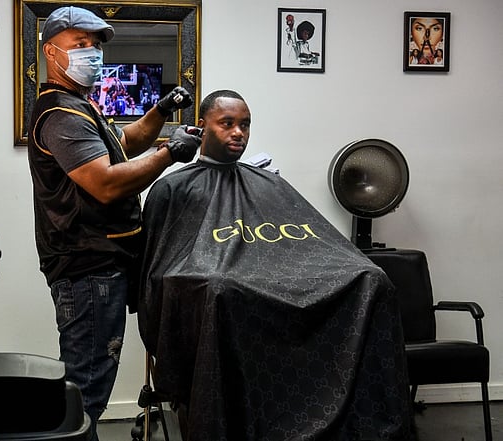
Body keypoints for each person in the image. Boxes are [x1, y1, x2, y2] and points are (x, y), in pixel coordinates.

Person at [137, 90, 414, 440]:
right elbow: (158, 273)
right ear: (201, 128)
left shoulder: (269, 183)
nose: (238, 132)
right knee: (219, 288)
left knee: (373, 278)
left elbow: (307, 242)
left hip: (264, 296)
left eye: (245, 125)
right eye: (227, 124)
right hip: (227, 299)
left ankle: (361, 424)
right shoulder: (172, 188)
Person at [26, 5, 202, 440]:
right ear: (52, 52)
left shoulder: (79, 106)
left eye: (96, 45)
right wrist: (168, 154)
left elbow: (122, 143)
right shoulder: (61, 114)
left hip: (102, 266)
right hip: (88, 271)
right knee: (86, 391)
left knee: (85, 387)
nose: (92, 53)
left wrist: (160, 112)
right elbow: (105, 183)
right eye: (79, 44)